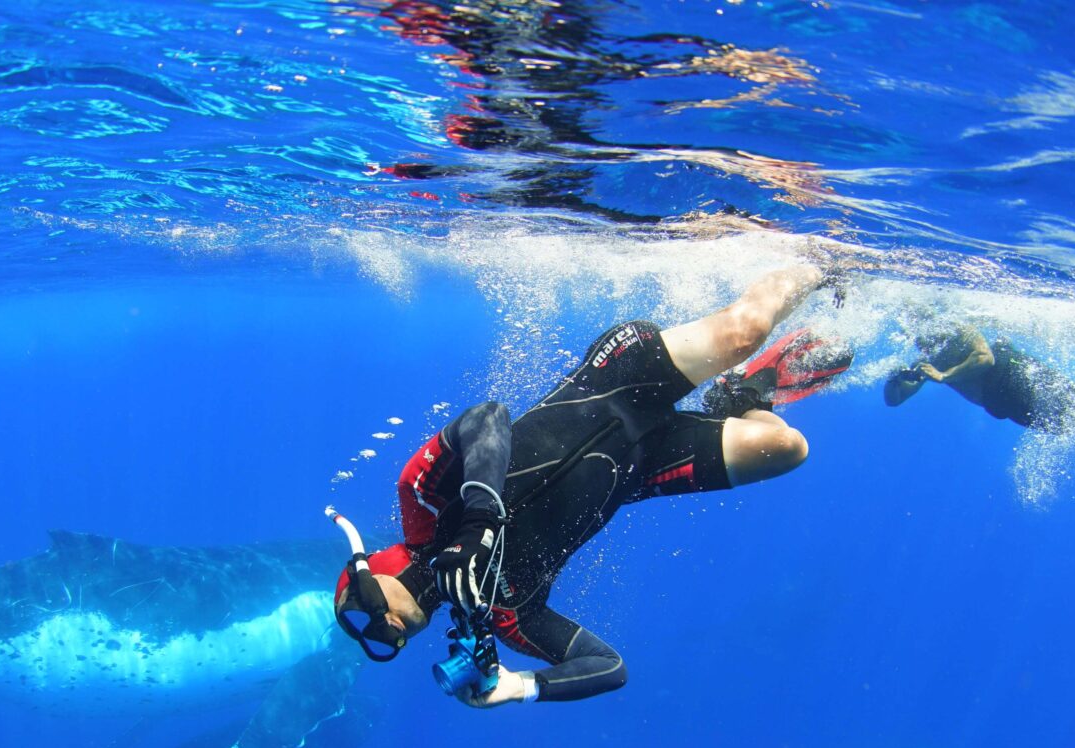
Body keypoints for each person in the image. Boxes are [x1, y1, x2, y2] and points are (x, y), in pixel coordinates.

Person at [332, 265, 854, 707]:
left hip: (618, 381)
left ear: (370, 572)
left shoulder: (421, 496)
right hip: (644, 466)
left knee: (747, 330)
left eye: (372, 622)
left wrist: (478, 520)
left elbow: (488, 418)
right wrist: (521, 686)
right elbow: (609, 666)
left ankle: (820, 261)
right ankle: (740, 394)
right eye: (384, 642)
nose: (390, 635)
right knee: (789, 449)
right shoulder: (504, 615)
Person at [883, 326, 1075, 468]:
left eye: (917, 331)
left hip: (1010, 375)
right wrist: (894, 382)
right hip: (1002, 402)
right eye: (912, 336)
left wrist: (945, 376)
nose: (916, 340)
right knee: (1063, 421)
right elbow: (894, 400)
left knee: (1068, 408)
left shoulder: (959, 330)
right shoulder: (927, 361)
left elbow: (985, 358)